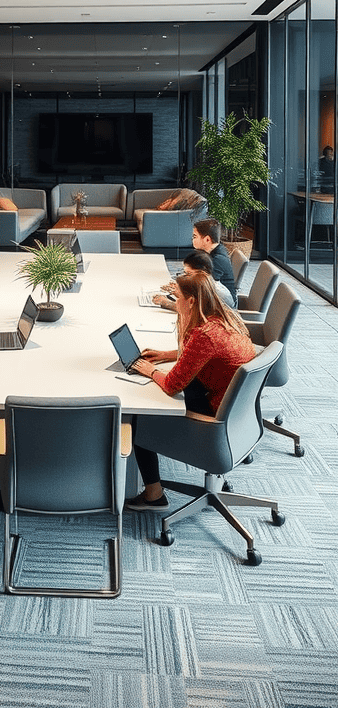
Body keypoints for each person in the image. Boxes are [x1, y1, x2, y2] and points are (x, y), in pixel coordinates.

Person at [126, 271, 255, 510]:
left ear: (192, 301)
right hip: (235, 409)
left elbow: (172, 384)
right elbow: (207, 355)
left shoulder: (203, 335)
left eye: (177, 298)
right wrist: (166, 355)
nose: (175, 303)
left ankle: (154, 495)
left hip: (214, 415)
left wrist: (149, 370)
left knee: (141, 416)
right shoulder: (223, 319)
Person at [153, 250, 235, 310]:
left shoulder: (213, 292)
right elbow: (194, 303)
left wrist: (165, 302)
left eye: (188, 274)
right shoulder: (206, 284)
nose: (184, 277)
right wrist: (178, 293)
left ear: (202, 273)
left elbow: (193, 313)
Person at [191, 218, 237, 306]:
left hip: (225, 307)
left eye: (194, 236)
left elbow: (203, 287)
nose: (192, 240)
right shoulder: (216, 250)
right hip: (215, 299)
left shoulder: (217, 260)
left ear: (207, 239)